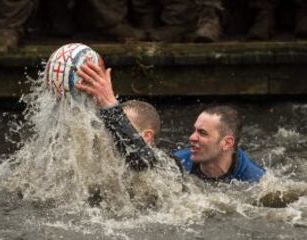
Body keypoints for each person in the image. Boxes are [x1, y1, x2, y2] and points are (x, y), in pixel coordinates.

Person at [75, 60, 265, 183]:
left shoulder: (255, 179)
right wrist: (109, 107)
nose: (192, 137)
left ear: (227, 142)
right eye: (194, 130)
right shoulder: (180, 162)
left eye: (203, 133)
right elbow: (142, 161)